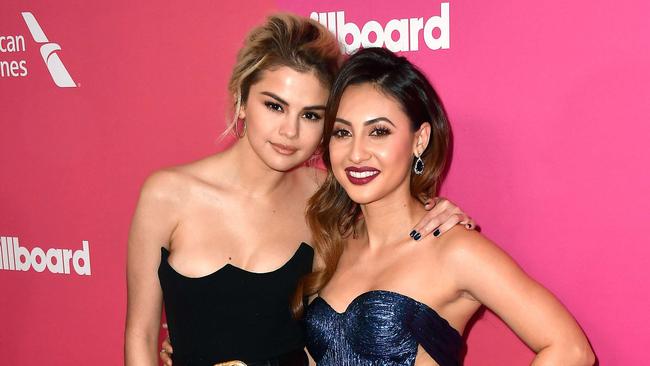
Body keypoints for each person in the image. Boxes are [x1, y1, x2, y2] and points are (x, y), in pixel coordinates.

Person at [126, 14, 474, 366]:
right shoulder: (166, 195)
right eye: (275, 106)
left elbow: (392, 247)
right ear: (242, 100)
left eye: (310, 115)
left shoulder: (327, 195)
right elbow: (140, 334)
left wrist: (437, 212)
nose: (289, 131)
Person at [299, 47, 595, 366]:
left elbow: (570, 350)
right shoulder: (333, 242)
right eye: (343, 132)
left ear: (420, 139)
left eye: (379, 132)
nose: (356, 153)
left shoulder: (455, 250)